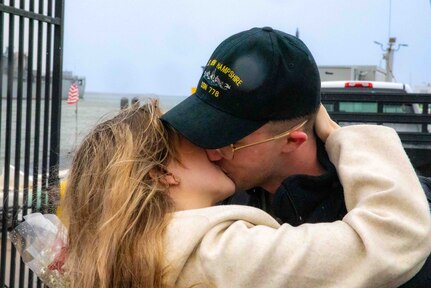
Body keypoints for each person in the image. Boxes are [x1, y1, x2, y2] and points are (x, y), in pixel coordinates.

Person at [13, 99, 430, 288]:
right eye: (197, 140)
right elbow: (390, 238)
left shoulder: (132, 254)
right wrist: (341, 136)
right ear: (163, 173)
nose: (216, 147)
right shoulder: (216, 256)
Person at [160, 26, 431, 287]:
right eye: (204, 129)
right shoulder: (221, 192)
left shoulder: (400, 212)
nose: (211, 152)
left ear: (292, 140)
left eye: (229, 141)